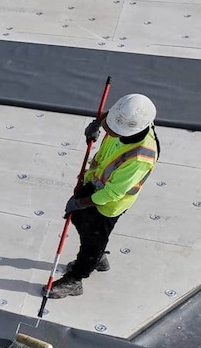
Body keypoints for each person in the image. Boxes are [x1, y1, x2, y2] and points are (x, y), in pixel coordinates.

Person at [48, 93, 160, 299]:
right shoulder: (130, 119)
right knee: (80, 221)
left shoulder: (140, 157)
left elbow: (112, 193)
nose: (109, 129)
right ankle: (96, 257)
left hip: (108, 205)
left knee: (93, 239)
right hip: (94, 184)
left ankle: (76, 279)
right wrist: (95, 125)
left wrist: (80, 203)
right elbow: (111, 117)